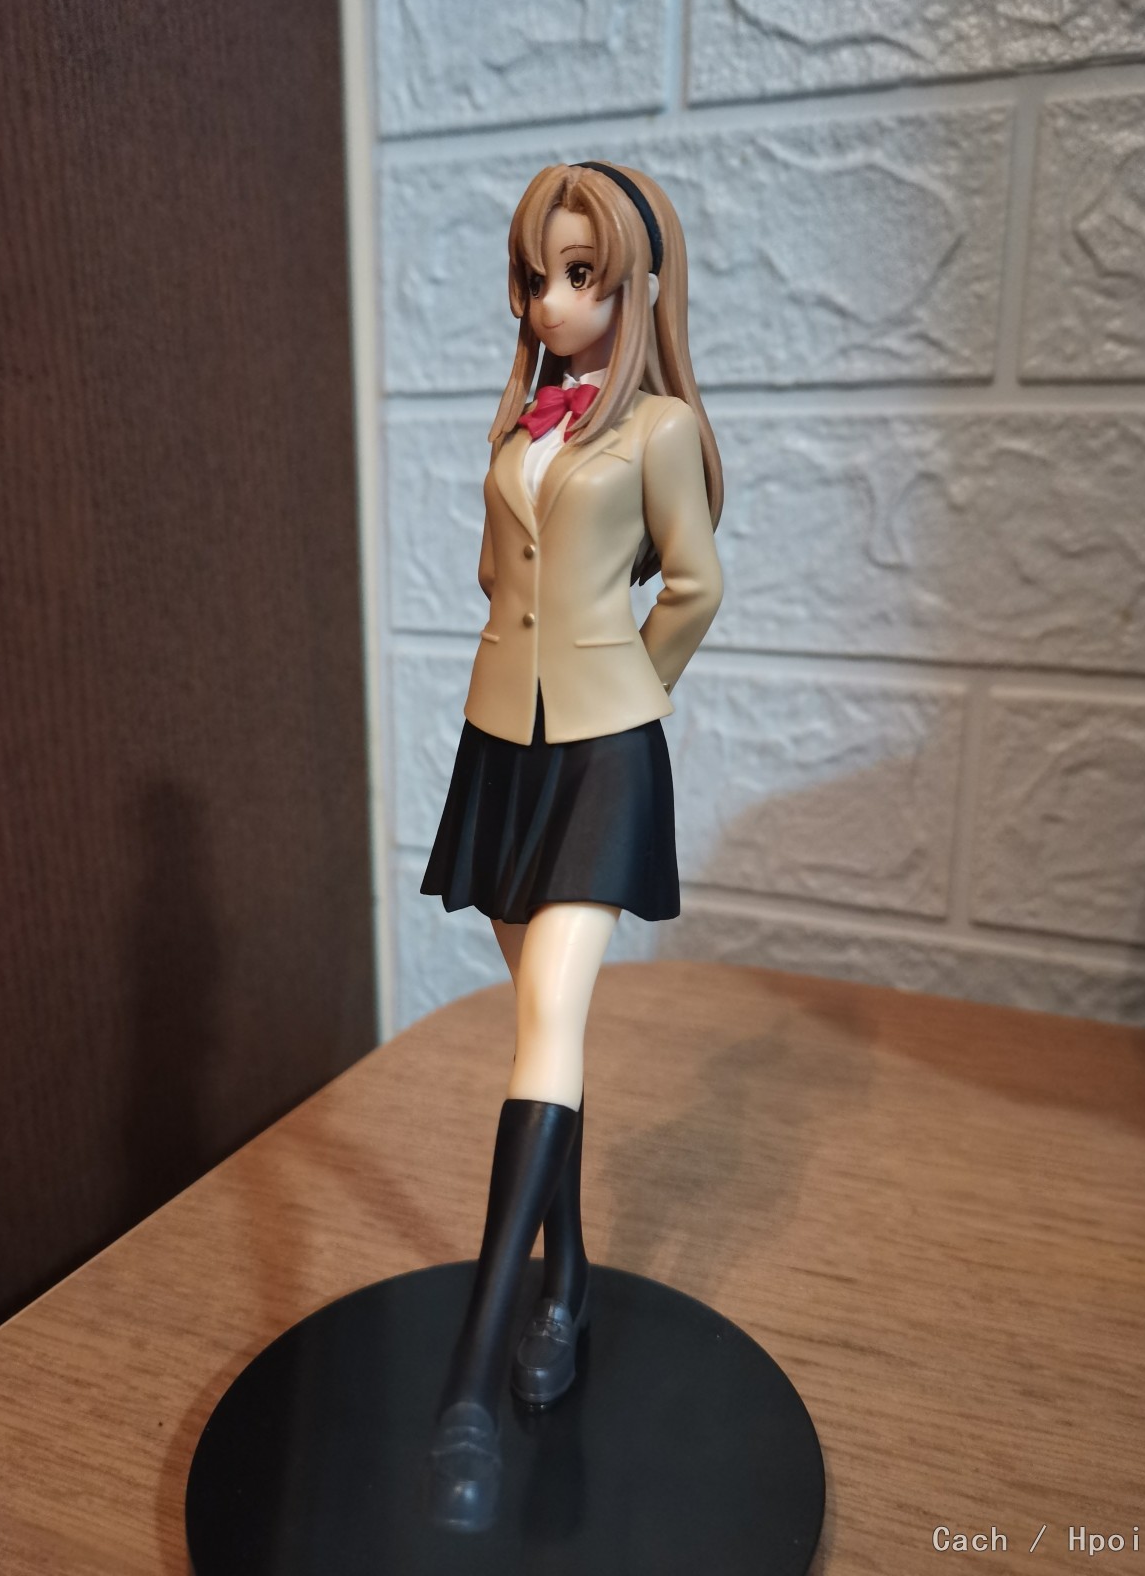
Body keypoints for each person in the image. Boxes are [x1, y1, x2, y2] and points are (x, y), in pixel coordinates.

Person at [420, 159, 724, 1530]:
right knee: (549, 1033)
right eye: (536, 275)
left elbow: (696, 585)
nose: (552, 301)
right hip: (501, 742)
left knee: (547, 1022)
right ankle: (567, 1285)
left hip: (602, 754)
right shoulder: (521, 422)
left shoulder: (658, 430)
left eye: (582, 275)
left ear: (634, 284)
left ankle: (468, 1392)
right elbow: (500, 576)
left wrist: (627, 691)